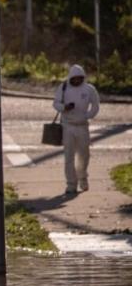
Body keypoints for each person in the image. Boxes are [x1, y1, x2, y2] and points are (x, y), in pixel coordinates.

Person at [53, 64, 100, 195]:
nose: (77, 81)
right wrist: (64, 108)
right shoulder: (63, 87)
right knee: (69, 156)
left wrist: (87, 116)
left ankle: (83, 178)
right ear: (70, 78)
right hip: (67, 125)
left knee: (84, 155)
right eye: (74, 78)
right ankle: (71, 184)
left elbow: (95, 105)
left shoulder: (89, 89)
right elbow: (55, 103)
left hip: (83, 126)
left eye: (80, 78)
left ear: (83, 77)